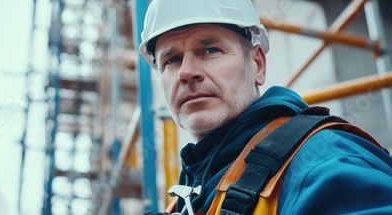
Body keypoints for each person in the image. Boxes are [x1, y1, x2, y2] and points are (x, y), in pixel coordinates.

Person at [138, 0, 392, 214]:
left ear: (257, 64)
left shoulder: (319, 164)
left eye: (210, 50)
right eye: (171, 60)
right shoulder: (191, 191)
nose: (187, 72)